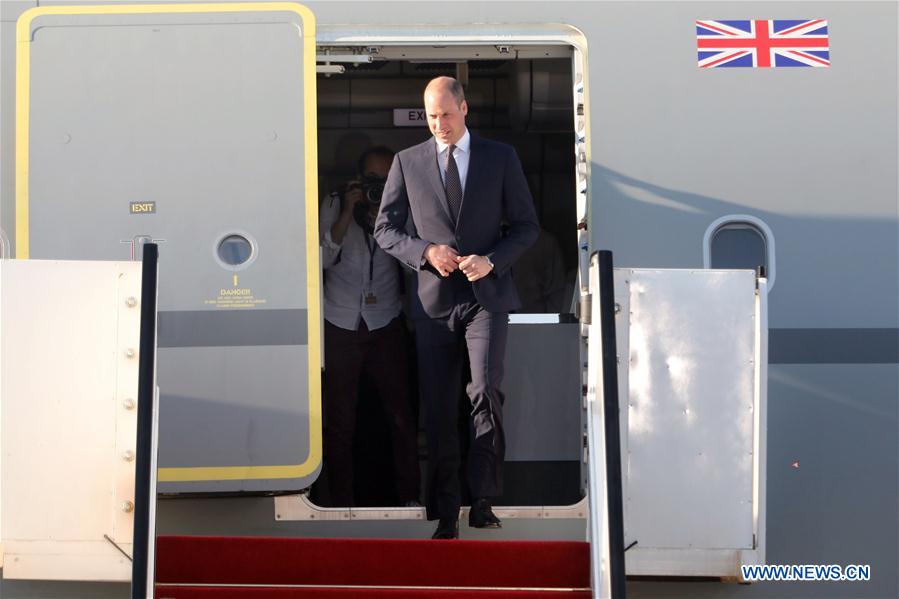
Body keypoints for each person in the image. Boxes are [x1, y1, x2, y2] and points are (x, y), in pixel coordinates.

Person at [374, 77, 539, 539]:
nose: (439, 125)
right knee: (441, 405)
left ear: (464, 109)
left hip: (486, 298)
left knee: (485, 390)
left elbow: (527, 227)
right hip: (434, 303)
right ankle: (447, 510)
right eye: (431, 117)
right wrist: (426, 251)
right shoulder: (408, 162)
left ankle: (482, 497)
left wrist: (492, 261)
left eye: (446, 115)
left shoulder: (499, 158)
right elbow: (385, 230)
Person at [319, 146, 420, 508]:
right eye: (373, 180)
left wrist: (387, 223)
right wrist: (348, 211)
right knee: (340, 422)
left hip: (386, 322)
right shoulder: (336, 202)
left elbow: (415, 266)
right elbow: (322, 260)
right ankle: (338, 502)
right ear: (358, 179)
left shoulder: (404, 206)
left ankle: (410, 499)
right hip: (340, 320)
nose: (379, 185)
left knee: (401, 417)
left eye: (387, 178)